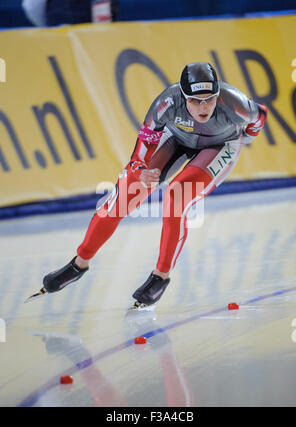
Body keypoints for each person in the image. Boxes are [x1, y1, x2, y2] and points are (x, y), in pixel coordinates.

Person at [38, 62, 267, 308]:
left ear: (217, 95)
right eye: (195, 101)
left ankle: (161, 276)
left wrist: (247, 138)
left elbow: (260, 116)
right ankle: (79, 263)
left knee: (177, 196)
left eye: (209, 99)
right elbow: (141, 149)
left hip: (220, 145)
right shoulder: (166, 102)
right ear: (183, 96)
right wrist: (141, 170)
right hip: (176, 137)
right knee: (127, 191)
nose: (203, 107)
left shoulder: (235, 103)